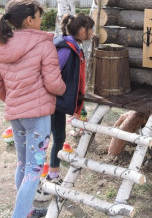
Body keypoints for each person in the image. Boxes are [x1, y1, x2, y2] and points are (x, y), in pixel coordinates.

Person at [0, 0, 66, 218]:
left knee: (23, 163)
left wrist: (14, 99)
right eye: (39, 17)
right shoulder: (43, 43)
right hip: (38, 116)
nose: (41, 21)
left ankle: (27, 212)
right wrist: (64, 89)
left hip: (16, 114)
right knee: (34, 168)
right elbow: (53, 83)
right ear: (29, 20)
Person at [47, 13, 94, 184]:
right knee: (57, 137)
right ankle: (52, 175)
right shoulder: (67, 49)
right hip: (53, 101)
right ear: (83, 31)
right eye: (91, 29)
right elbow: (51, 74)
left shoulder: (72, 47)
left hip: (57, 100)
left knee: (58, 137)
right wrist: (60, 92)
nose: (92, 33)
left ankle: (51, 173)